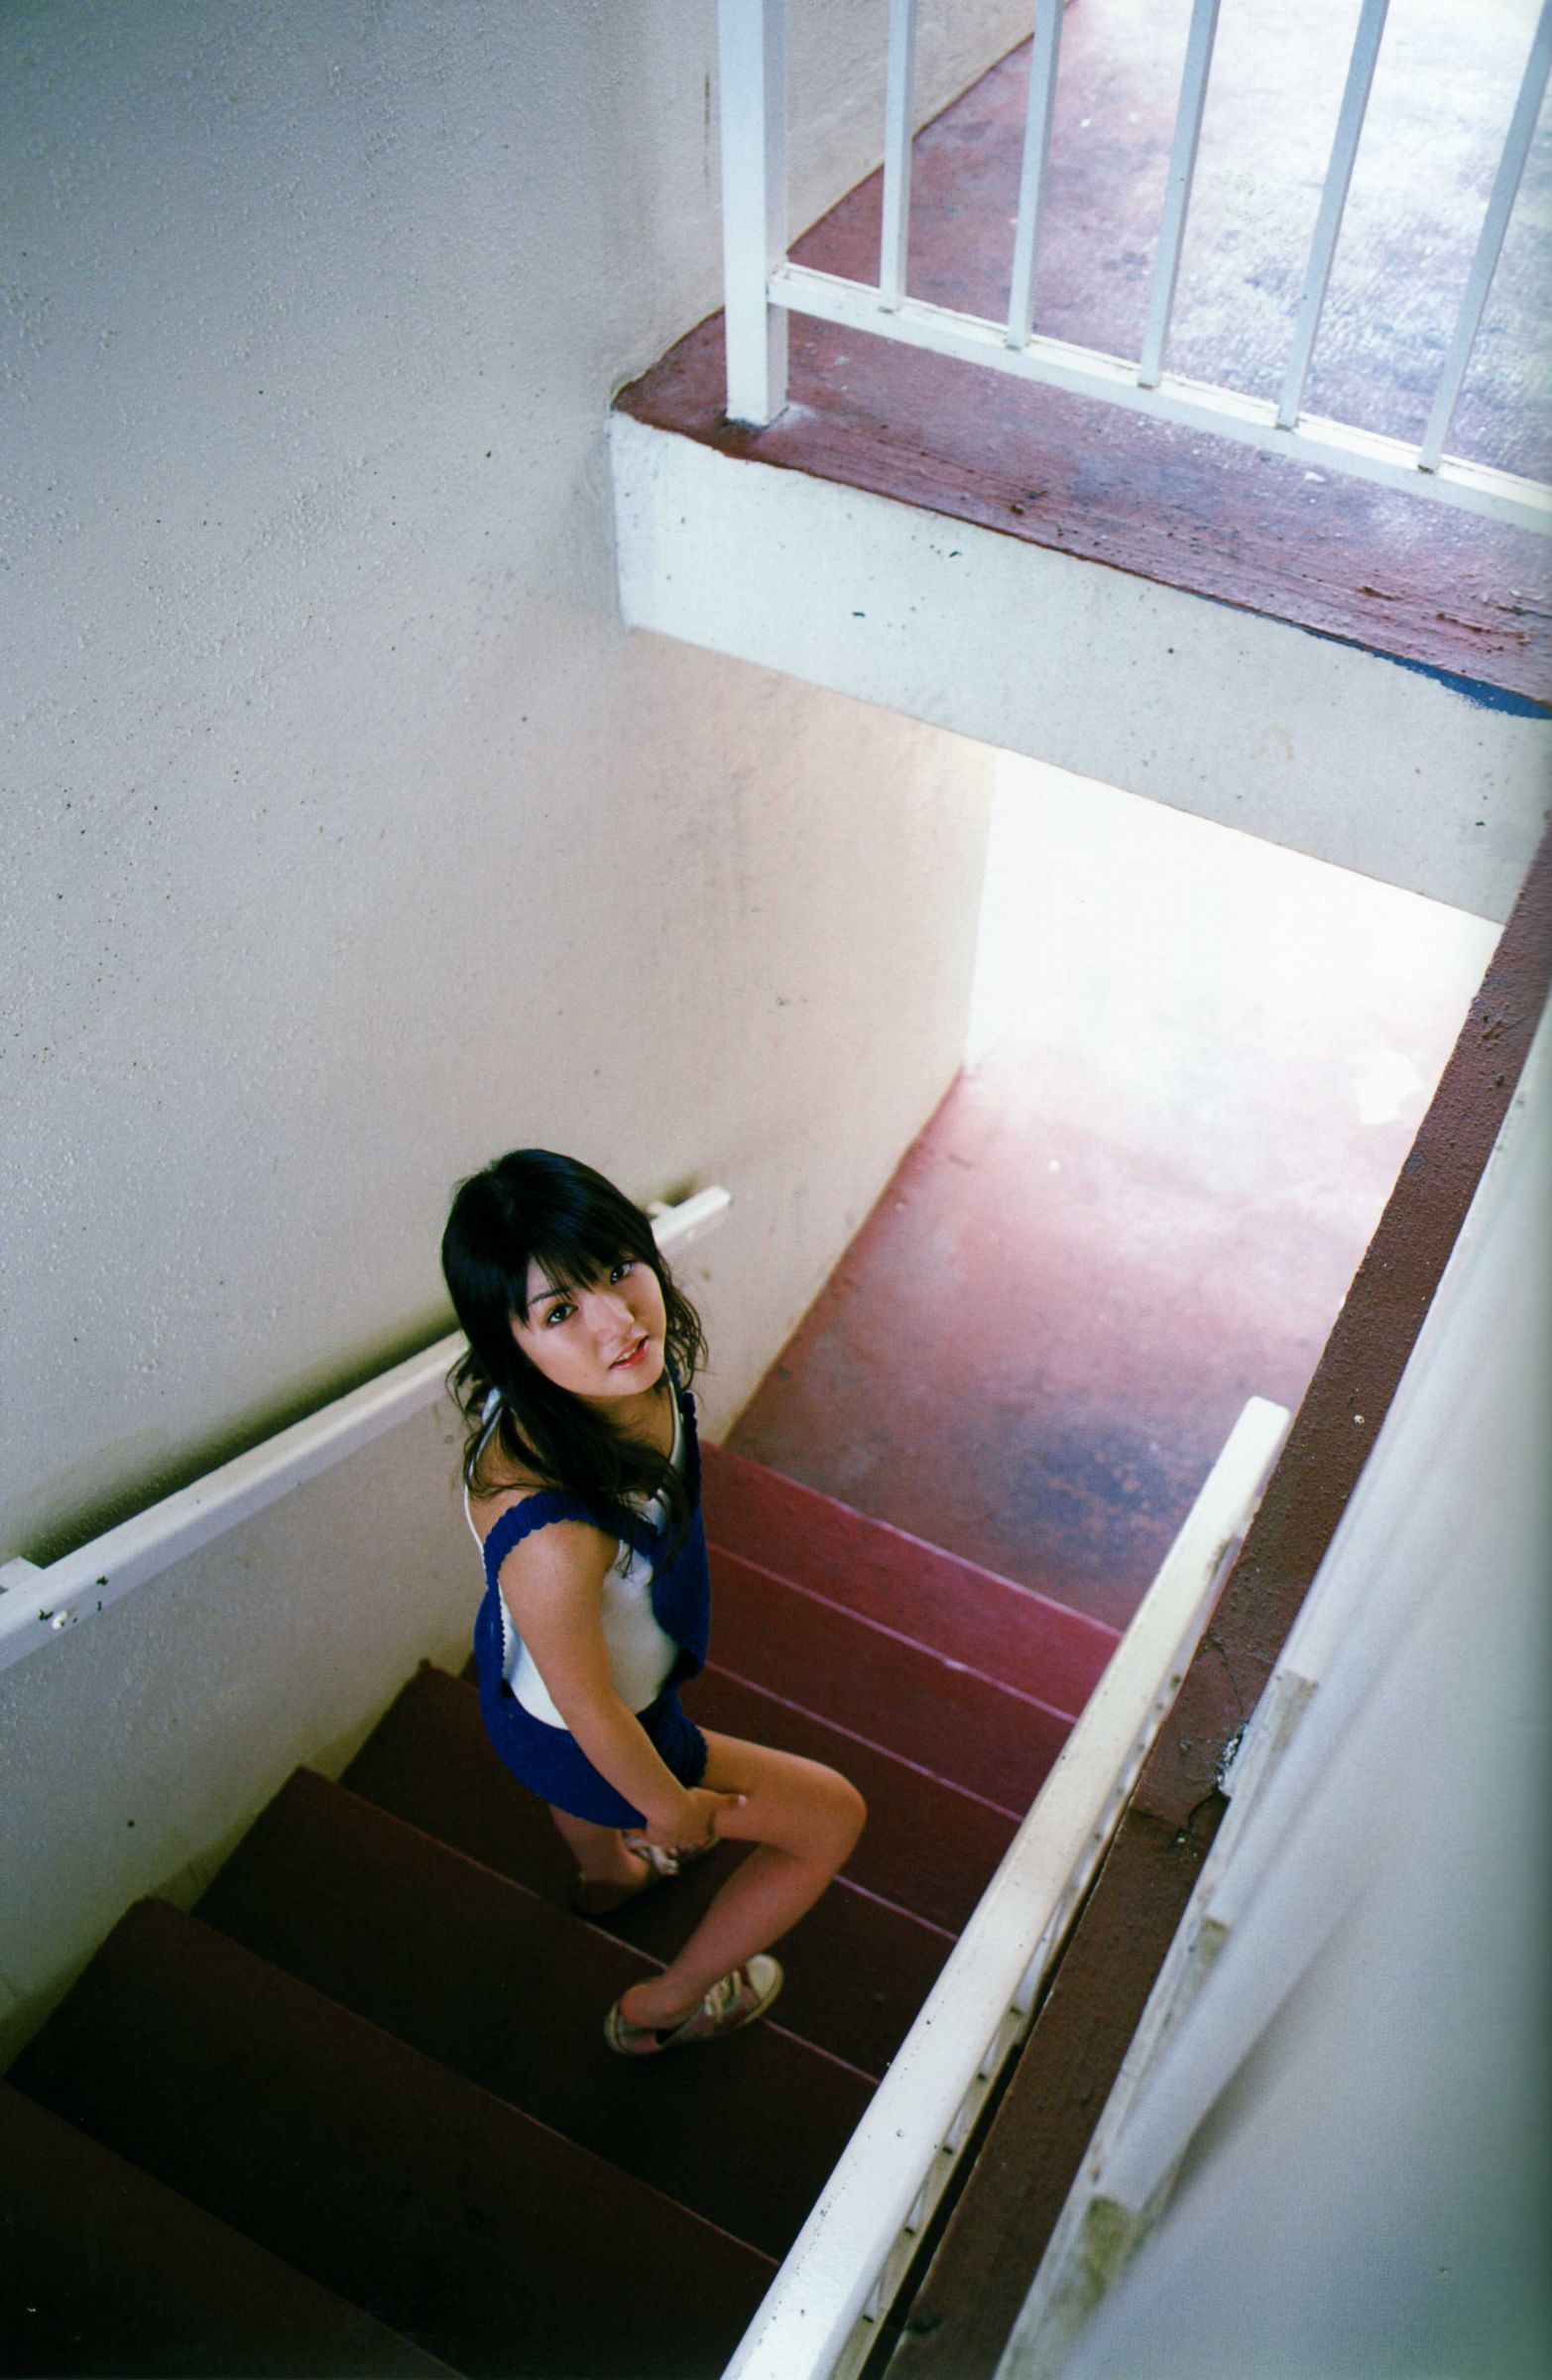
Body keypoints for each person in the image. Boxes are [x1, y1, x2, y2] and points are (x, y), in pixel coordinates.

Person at [440, 1147, 866, 2055]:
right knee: (832, 1817)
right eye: (560, 1311)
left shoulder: (607, 1381)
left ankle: (608, 1879)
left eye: (617, 1268)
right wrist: (670, 1810)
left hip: (537, 1687)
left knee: (581, 1789)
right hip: (591, 1730)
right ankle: (661, 2008)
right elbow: (589, 1708)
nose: (619, 1320)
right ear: (509, 1344)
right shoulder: (555, 1529)